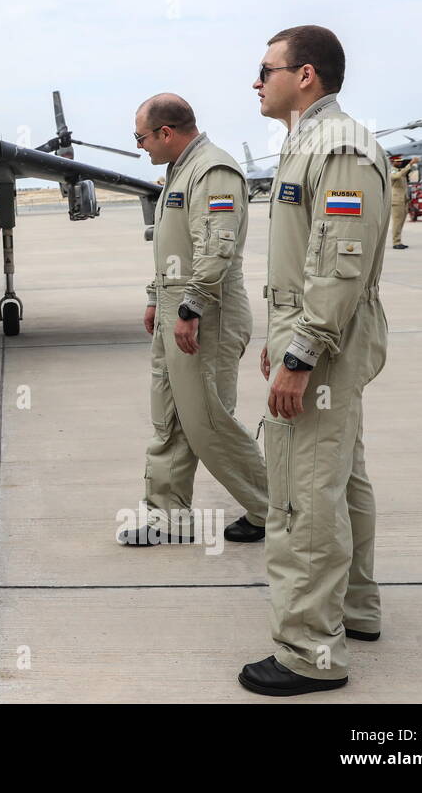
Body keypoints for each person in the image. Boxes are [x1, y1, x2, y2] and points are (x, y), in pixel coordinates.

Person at [242, 24, 388, 696]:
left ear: (305, 76)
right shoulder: (311, 143)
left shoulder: (339, 146)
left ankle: (308, 652)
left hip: (321, 351)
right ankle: (354, 610)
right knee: (341, 480)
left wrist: (299, 355)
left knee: (303, 496)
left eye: (266, 67)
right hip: (318, 342)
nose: (256, 80)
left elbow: (338, 264)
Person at [120, 94, 268, 546]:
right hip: (176, 311)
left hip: (207, 316)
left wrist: (191, 308)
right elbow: (175, 249)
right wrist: (156, 298)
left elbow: (216, 247)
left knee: (207, 421)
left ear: (166, 132)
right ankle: (167, 515)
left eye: (141, 137)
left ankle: (277, 507)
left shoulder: (213, 171)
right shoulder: (179, 172)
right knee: (170, 418)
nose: (141, 146)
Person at [389, 156, 415, 249]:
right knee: (397, 222)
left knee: (401, 222)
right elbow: (397, 176)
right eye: (397, 161)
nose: (400, 163)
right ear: (392, 162)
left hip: (403, 199)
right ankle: (396, 242)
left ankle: (398, 240)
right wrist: (410, 165)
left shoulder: (400, 170)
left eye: (400, 161)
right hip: (396, 200)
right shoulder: (392, 170)